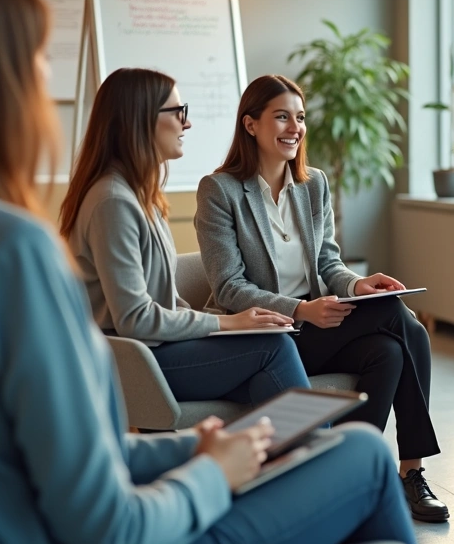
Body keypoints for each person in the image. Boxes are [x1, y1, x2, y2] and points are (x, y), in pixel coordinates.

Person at [0, 0, 416, 544]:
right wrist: (210, 474)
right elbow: (109, 525)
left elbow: (57, 460)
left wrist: (192, 450)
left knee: (341, 438)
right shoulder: (10, 251)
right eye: (39, 66)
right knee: (362, 454)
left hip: (21, 515)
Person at [194, 74, 448, 523]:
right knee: (399, 320)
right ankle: (406, 472)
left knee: (389, 350)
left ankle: (351, 477)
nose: (295, 127)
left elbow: (329, 264)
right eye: (282, 117)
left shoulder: (313, 185)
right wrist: (300, 310)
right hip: (267, 334)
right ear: (250, 125)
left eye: (300, 117)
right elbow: (229, 287)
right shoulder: (221, 191)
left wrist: (356, 285)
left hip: (318, 327)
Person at [60, 67, 311, 407]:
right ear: (142, 119)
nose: (186, 123)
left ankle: (293, 454)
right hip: (134, 361)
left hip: (160, 348)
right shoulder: (113, 202)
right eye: (178, 112)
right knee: (275, 348)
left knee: (268, 375)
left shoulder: (141, 195)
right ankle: (320, 450)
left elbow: (165, 301)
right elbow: (135, 318)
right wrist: (227, 322)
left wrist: (231, 325)